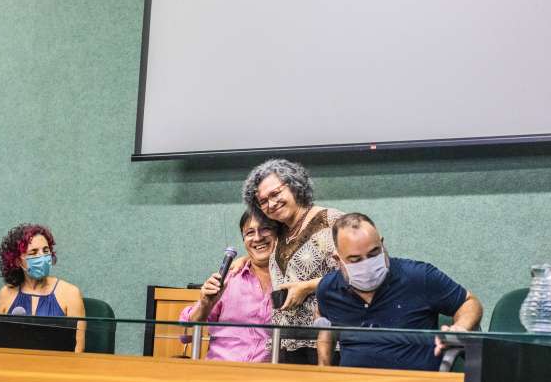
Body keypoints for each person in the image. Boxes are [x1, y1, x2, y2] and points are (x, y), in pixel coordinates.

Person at [316, 213, 483, 370]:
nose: (367, 264)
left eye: (374, 253)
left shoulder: (419, 276)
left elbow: (470, 302)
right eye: (355, 260)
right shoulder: (328, 289)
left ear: (382, 244)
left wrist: (460, 327)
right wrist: (324, 369)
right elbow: (325, 326)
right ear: (338, 259)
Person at [242, 159, 343, 364]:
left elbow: (359, 274)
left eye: (275, 194)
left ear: (295, 185)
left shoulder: (332, 221)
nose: (271, 204)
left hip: (327, 341)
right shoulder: (278, 232)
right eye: (263, 201)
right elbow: (260, 254)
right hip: (284, 341)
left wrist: (307, 287)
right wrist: (241, 261)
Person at [180, 210, 278, 362]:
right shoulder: (229, 279)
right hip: (222, 369)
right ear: (244, 240)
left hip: (269, 373)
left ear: (279, 234)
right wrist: (205, 305)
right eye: (250, 232)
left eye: (265, 229)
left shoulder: (293, 279)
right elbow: (185, 335)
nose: (258, 237)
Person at [0, 223, 86, 353]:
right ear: (18, 261)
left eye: (45, 251)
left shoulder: (71, 294)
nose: (42, 257)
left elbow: (78, 350)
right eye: (33, 252)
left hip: (58, 364)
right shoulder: (6, 294)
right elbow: (0, 345)